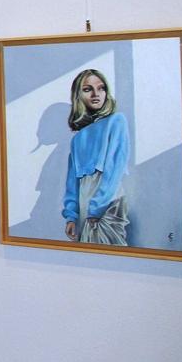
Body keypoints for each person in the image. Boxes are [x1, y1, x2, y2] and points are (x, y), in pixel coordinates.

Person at [62, 68, 130, 245]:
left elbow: (115, 167)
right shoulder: (77, 139)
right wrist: (71, 216)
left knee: (109, 250)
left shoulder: (116, 121)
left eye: (101, 88)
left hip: (107, 199)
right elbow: (72, 182)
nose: (96, 94)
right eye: (87, 89)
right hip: (85, 202)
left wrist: (97, 207)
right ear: (78, 95)